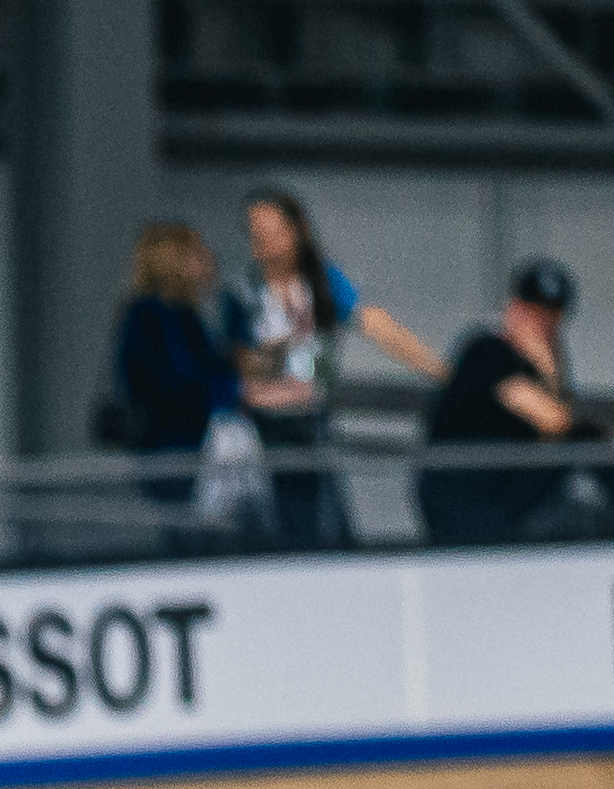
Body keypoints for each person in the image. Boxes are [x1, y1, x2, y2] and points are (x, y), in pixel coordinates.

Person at [226, 186, 444, 550]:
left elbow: (375, 324)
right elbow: (247, 370)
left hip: (307, 420)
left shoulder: (321, 282)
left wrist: (439, 369)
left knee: (322, 520)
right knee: (277, 521)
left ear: (298, 233)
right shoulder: (245, 293)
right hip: (262, 426)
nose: (267, 245)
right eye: (257, 236)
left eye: (276, 234)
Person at [419, 258, 594, 546]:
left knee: (588, 440)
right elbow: (554, 420)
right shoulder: (487, 351)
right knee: (583, 439)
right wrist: (547, 365)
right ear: (514, 310)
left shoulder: (538, 365)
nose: (540, 328)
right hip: (465, 493)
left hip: (501, 488)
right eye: (532, 314)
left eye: (550, 319)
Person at [110, 220, 242, 515]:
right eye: (197, 253)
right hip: (171, 451)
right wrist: (239, 390)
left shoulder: (183, 316)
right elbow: (180, 381)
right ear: (175, 261)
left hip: (192, 448)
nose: (210, 258)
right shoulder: (150, 316)